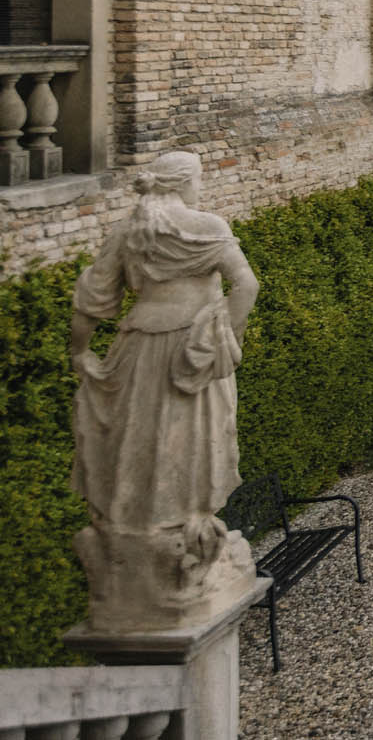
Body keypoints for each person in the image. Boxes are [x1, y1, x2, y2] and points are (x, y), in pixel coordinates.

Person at [69, 151, 259, 630]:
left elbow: (91, 300)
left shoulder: (130, 232)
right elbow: (246, 286)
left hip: (137, 350)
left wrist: (81, 352)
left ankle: (136, 536)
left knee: (136, 438)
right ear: (186, 183)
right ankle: (182, 534)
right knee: (190, 442)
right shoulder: (208, 226)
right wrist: (224, 342)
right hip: (190, 354)